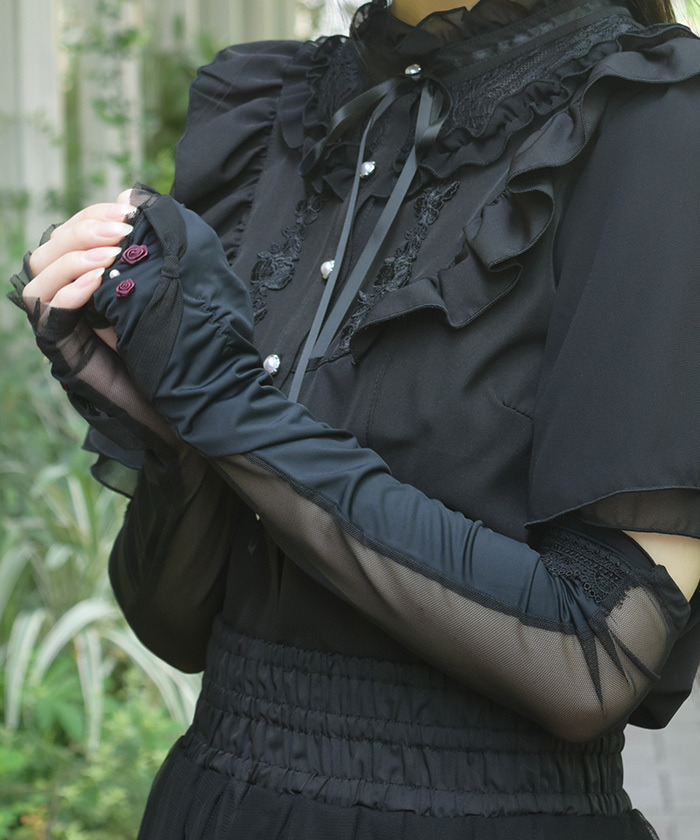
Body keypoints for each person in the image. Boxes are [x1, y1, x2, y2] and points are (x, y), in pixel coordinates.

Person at [11, 0, 700, 836]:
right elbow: (179, 626)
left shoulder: (655, 117)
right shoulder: (271, 107)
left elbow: (596, 657)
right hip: (213, 804)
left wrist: (223, 399)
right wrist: (166, 417)